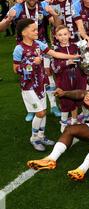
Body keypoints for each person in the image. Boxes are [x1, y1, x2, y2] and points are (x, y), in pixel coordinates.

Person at [13, 19, 80, 151]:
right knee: (40, 113)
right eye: (33, 30)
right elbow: (15, 69)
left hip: (41, 84)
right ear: (24, 32)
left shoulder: (39, 44)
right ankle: (34, 138)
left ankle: (41, 135)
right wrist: (32, 63)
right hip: (28, 87)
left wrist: (73, 56)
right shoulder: (19, 48)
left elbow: (54, 54)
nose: (37, 31)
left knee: (42, 112)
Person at [51, 25, 86, 133]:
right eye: (60, 35)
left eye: (65, 34)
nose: (63, 37)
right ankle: (64, 122)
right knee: (65, 101)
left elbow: (83, 61)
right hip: (64, 79)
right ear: (56, 37)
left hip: (77, 77)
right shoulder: (55, 51)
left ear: (70, 35)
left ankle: (74, 120)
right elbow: (54, 68)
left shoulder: (75, 47)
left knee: (76, 98)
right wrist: (65, 63)